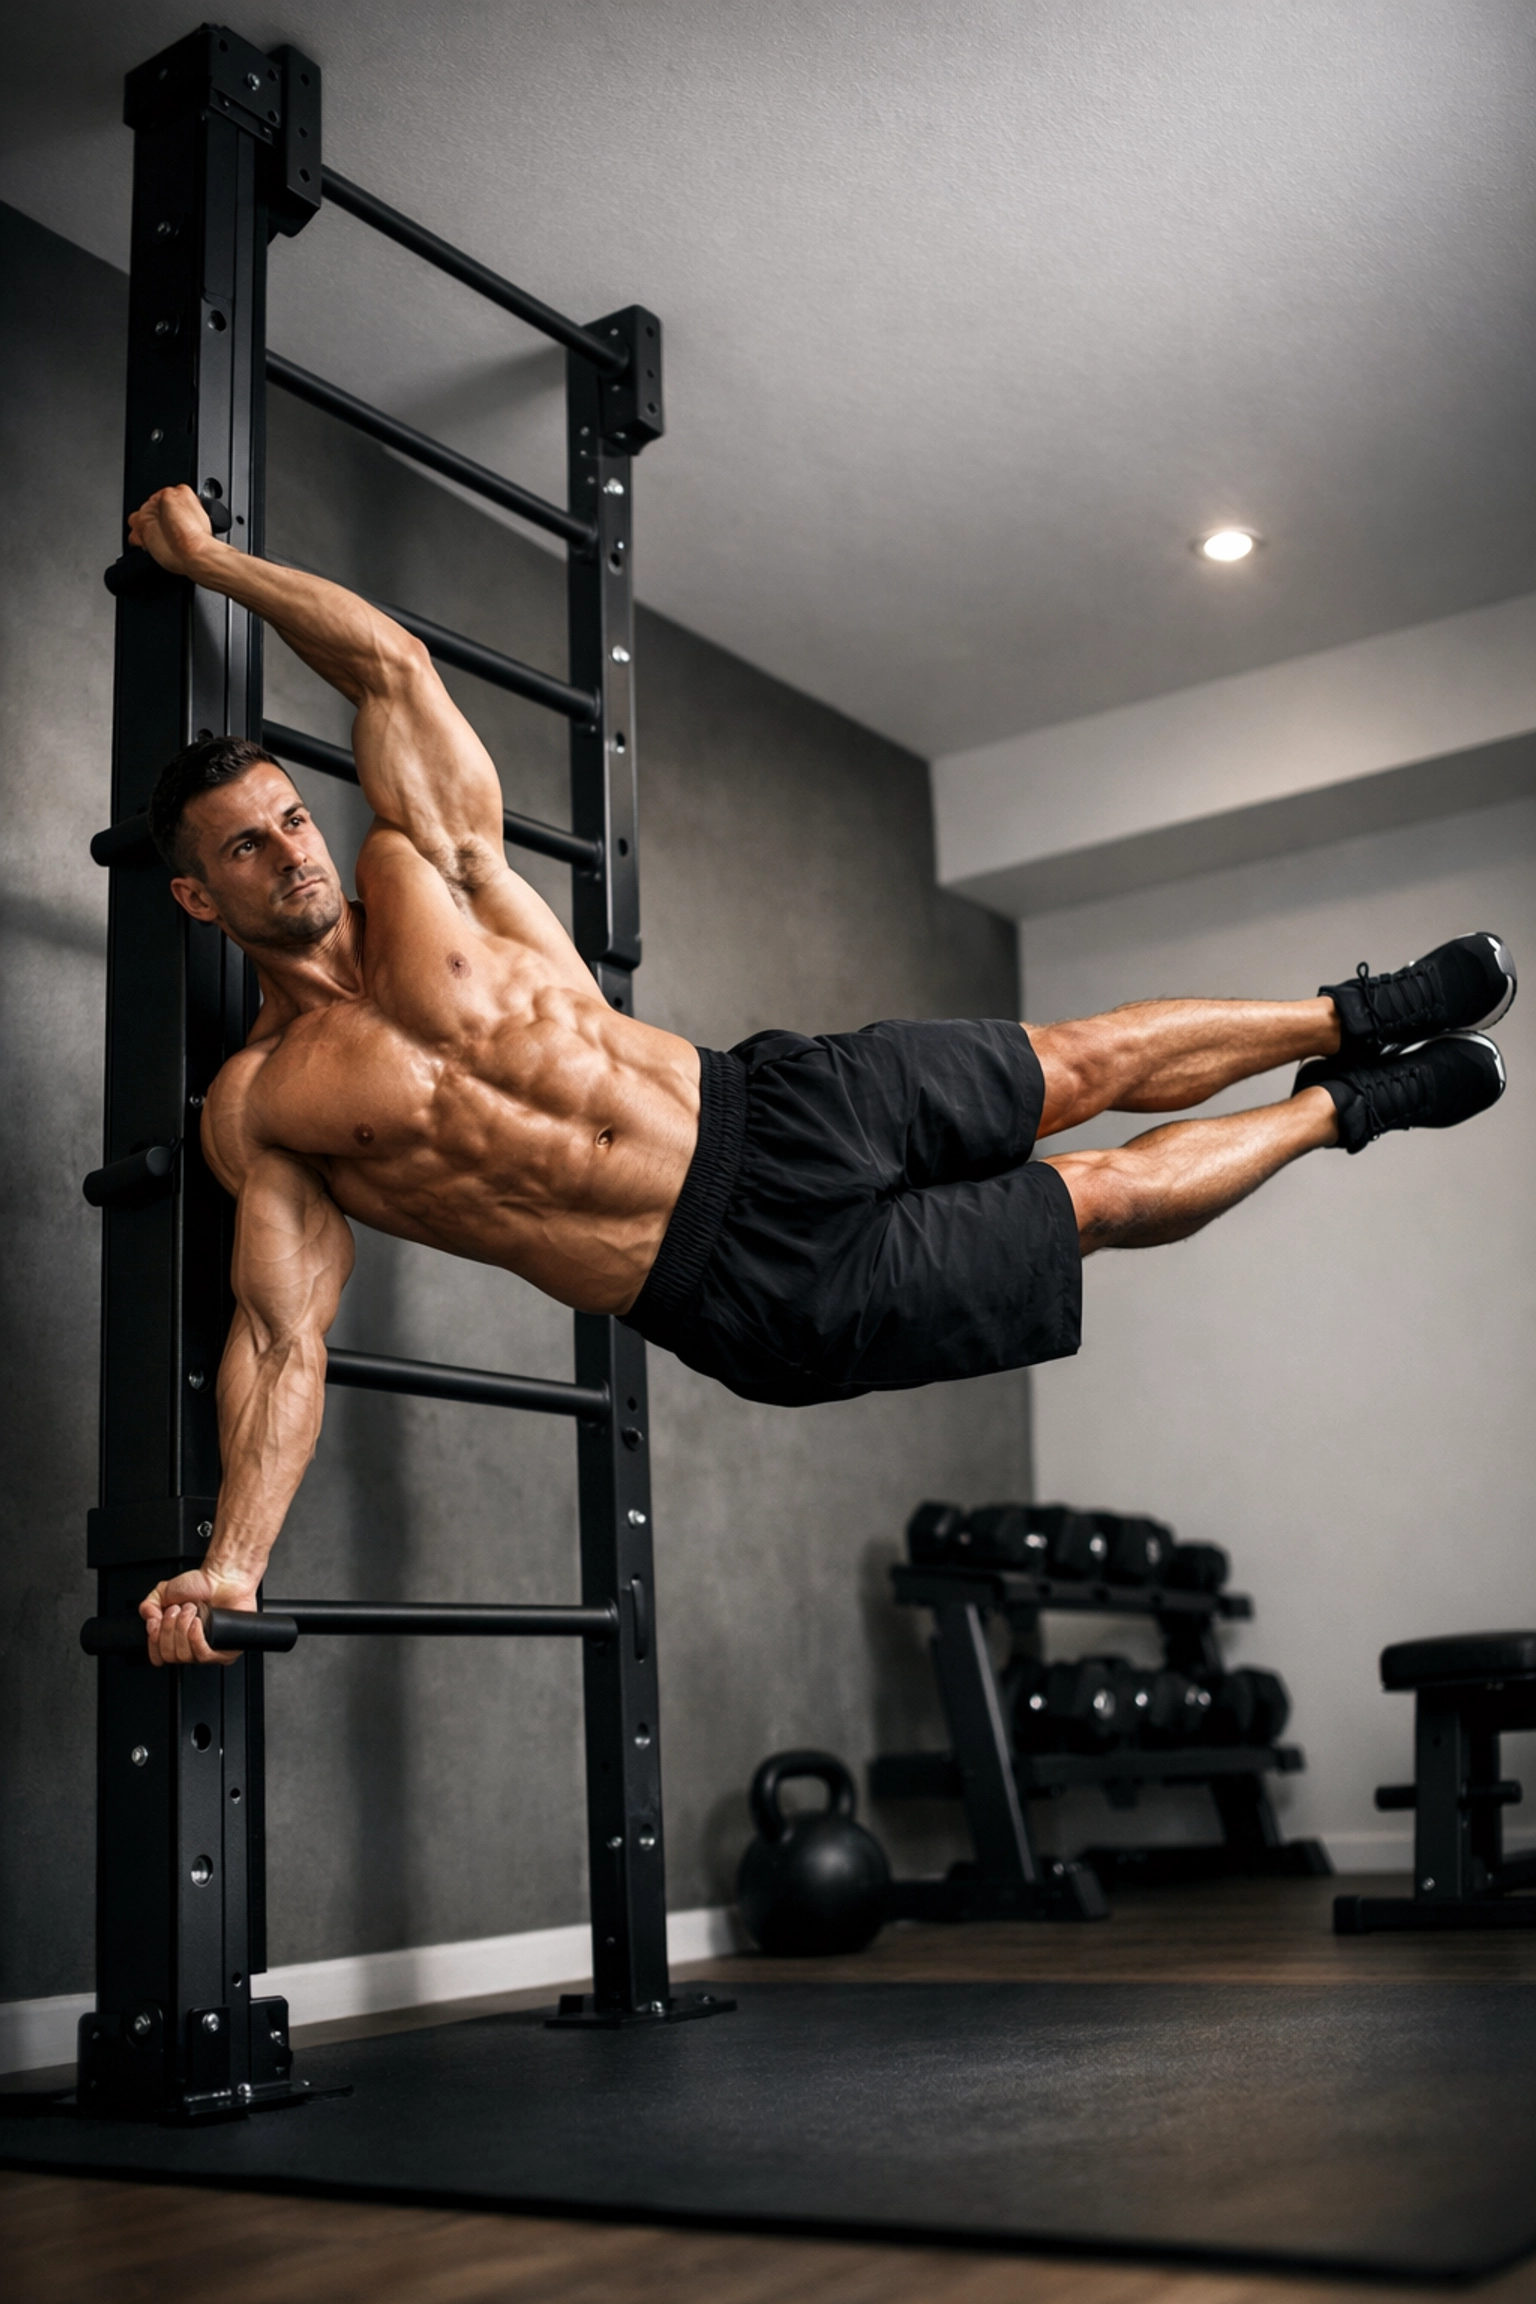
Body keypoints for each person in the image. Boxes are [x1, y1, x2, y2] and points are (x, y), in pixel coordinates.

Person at [125, 484, 1515, 1668]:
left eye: (290, 816)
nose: (293, 849)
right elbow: (280, 1338)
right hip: (745, 1283)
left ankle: (1356, 1012)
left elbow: (390, 669)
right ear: (197, 897)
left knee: (1078, 1060)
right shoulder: (266, 1104)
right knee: (1089, 1202)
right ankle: (1350, 1107)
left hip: (776, 1102)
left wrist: (211, 562)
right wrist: (233, 1564)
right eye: (247, 846)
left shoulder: (425, 862)